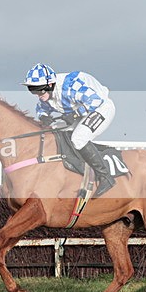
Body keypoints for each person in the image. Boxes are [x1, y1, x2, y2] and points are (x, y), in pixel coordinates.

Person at [21, 63, 116, 197]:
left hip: (101, 107)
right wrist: (44, 117)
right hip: (83, 111)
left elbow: (95, 101)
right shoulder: (46, 95)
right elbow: (41, 109)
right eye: (33, 90)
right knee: (58, 132)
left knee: (78, 138)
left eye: (39, 90)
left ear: (50, 85)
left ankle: (105, 176)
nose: (37, 95)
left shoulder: (69, 87)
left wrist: (75, 114)